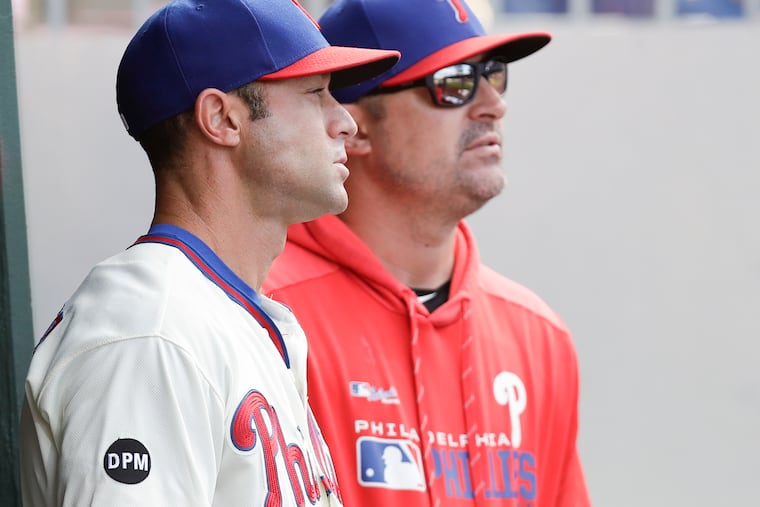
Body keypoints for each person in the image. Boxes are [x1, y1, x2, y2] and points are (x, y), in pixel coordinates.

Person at [18, 0, 399, 505]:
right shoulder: (152, 333)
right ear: (221, 119)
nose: (345, 122)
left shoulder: (225, 315)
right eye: (315, 94)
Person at [262, 0, 591, 506]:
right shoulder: (266, 314)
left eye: (493, 75)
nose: (491, 105)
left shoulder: (538, 334)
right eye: (454, 82)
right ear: (356, 126)